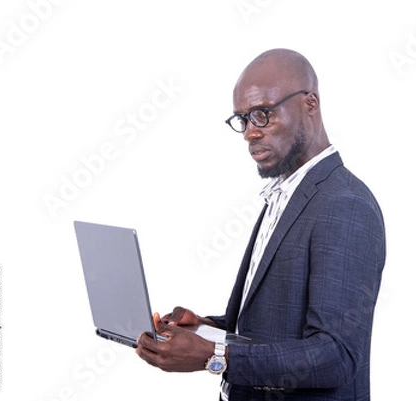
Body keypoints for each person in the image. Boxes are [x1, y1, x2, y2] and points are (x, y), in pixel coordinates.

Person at [136, 48, 386, 401]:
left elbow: (336, 356)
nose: (249, 133)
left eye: (262, 115)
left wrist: (214, 356)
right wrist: (207, 329)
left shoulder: (344, 205)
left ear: (310, 104)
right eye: (243, 119)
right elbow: (274, 328)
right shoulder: (284, 194)